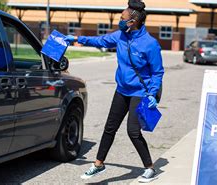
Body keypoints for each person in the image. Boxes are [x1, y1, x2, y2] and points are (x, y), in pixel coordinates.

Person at [65, 0, 163, 183]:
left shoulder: (150, 44)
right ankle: (99, 163)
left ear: (133, 22)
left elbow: (157, 72)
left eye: (122, 18)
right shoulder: (121, 36)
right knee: (109, 128)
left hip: (140, 93)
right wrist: (76, 39)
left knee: (133, 132)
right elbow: (99, 40)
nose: (120, 20)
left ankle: (150, 168)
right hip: (122, 90)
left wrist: (152, 93)